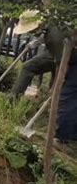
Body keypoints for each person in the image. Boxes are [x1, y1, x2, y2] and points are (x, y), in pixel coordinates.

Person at [11, 10, 77, 145]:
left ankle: (64, 139)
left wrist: (56, 87)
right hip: (65, 55)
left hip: (72, 60)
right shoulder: (48, 26)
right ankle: (12, 101)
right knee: (29, 67)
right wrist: (32, 44)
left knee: (65, 96)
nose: (29, 33)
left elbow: (62, 65)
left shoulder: (55, 37)